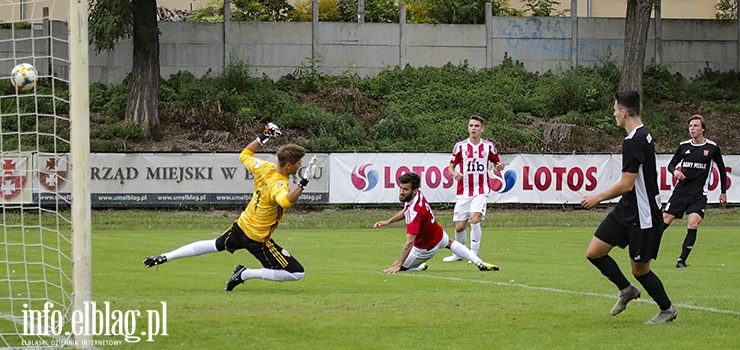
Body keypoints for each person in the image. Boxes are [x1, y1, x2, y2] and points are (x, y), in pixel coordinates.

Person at [143, 123, 318, 291]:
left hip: (241, 227)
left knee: (214, 244)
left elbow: (245, 155)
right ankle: (245, 274)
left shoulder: (265, 167)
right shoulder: (278, 184)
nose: (301, 165)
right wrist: (304, 181)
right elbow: (286, 202)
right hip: (257, 238)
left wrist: (265, 135)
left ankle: (167, 256)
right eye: (299, 163)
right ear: (288, 165)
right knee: (296, 273)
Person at [581, 91, 677, 324]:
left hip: (643, 214)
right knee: (594, 252)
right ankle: (626, 290)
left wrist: (598, 198)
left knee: (640, 270)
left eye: (615, 110)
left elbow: (627, 184)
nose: (614, 114)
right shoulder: (641, 135)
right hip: (627, 209)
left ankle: (667, 309)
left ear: (623, 113)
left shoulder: (634, 141)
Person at [373, 172, 500, 273]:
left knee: (399, 267)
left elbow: (410, 242)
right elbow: (406, 210)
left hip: (425, 248)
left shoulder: (414, 211)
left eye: (405, 189)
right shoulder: (417, 196)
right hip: (438, 233)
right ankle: (479, 262)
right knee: (450, 243)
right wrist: (388, 221)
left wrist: (399, 263)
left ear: (414, 190)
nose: (401, 192)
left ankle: (418, 267)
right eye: (401, 188)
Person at [663, 114, 728, 268]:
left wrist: (723, 191)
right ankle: (645, 252)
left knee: (693, 224)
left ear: (703, 129)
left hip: (699, 194)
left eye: (696, 126)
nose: (692, 128)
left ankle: (681, 261)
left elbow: (722, 170)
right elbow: (671, 165)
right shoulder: (684, 146)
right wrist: (675, 172)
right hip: (681, 192)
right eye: (691, 126)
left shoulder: (712, 148)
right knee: (665, 221)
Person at [442, 115, 505, 262]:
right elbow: (450, 167)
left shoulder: (488, 146)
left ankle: (474, 254)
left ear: (482, 129)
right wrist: (454, 174)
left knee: (475, 219)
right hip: (464, 191)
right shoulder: (460, 146)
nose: (473, 129)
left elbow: (497, 162)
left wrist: (499, 166)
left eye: (476, 126)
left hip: (481, 189)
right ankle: (459, 254)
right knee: (459, 227)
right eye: (471, 126)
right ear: (468, 128)